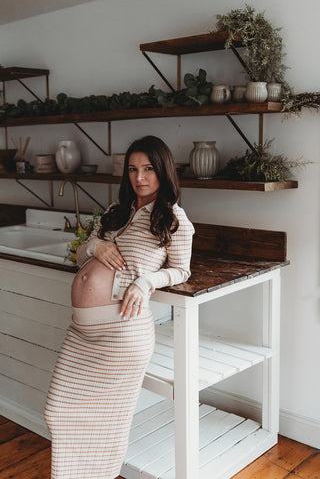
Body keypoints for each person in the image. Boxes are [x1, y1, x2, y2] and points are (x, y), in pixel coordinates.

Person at [44, 135, 195, 479]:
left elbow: (182, 269)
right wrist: (95, 247)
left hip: (120, 331)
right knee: (57, 411)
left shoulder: (173, 218)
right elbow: (82, 253)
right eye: (132, 169)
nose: (139, 177)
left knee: (103, 428)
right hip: (82, 331)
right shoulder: (116, 212)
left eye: (148, 169)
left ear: (163, 171)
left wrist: (146, 282)